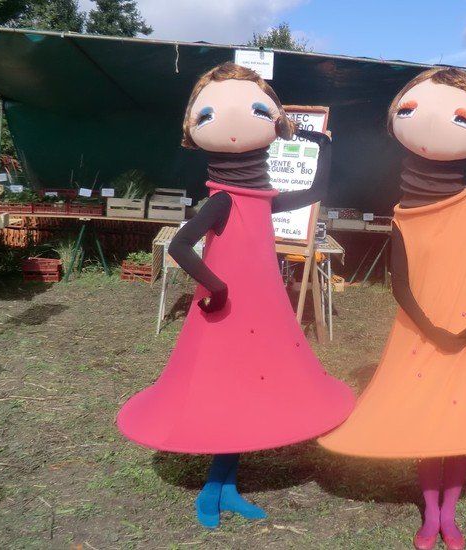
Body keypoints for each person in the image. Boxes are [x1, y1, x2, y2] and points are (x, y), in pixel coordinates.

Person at [318, 67, 466, 550]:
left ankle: (448, 514)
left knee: (462, 424)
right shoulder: (404, 215)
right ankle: (431, 514)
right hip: (423, 334)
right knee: (429, 425)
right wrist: (431, 330)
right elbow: (401, 284)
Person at [116, 62, 355, 529]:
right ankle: (214, 488)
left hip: (260, 314)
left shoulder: (261, 200)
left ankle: (225, 487)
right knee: (223, 391)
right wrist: (218, 286)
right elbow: (181, 246)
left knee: (247, 390)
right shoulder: (222, 200)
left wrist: (322, 145)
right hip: (224, 314)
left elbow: (316, 190)